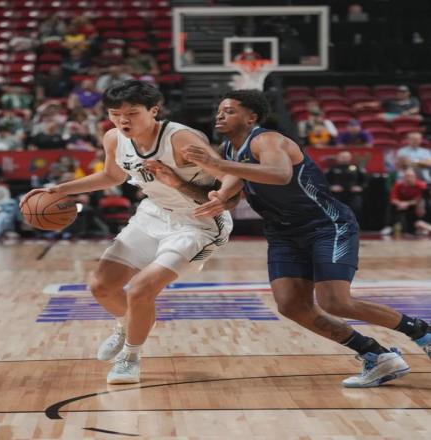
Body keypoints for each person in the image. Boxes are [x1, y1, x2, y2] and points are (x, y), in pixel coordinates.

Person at [182, 89, 431, 387]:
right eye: (220, 110)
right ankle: (375, 355)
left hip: (325, 224)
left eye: (230, 111)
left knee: (336, 301)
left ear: (251, 117)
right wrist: (222, 197)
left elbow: (279, 174)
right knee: (291, 305)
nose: (220, 115)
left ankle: (422, 332)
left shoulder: (268, 140)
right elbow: (237, 179)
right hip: (283, 232)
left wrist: (219, 166)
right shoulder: (231, 149)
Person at [20, 80, 237, 384]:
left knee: (139, 291)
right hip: (153, 213)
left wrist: (219, 197)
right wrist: (58, 189)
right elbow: (112, 175)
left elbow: (230, 175)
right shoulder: (113, 138)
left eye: (132, 113)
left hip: (198, 223)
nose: (123, 121)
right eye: (115, 114)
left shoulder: (181, 139)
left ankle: (130, 357)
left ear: (153, 111)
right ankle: (128, 325)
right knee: (101, 286)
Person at [325, 151, 366, 222]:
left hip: (353, 195)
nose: (345, 159)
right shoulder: (331, 169)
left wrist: (360, 187)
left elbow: (364, 181)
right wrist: (331, 187)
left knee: (356, 209)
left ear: (350, 158)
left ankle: (354, 225)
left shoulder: (356, 168)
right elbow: (324, 181)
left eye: (347, 157)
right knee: (335, 211)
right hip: (336, 195)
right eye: (343, 157)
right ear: (337, 158)